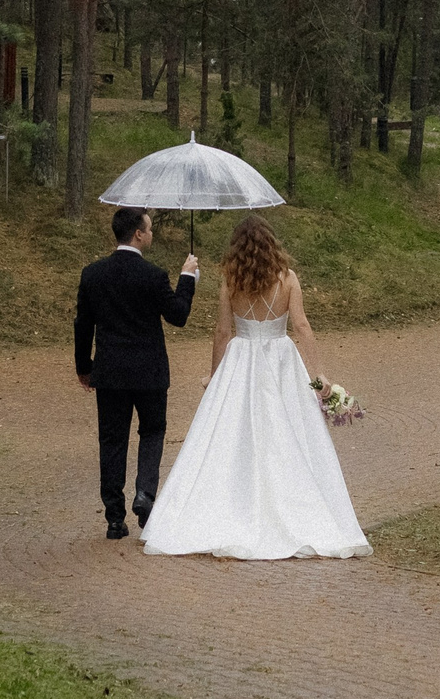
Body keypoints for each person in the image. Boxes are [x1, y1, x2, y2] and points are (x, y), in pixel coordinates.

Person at [139, 214, 369, 560]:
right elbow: (301, 326)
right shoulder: (288, 278)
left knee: (230, 435)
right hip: (281, 360)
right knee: (290, 433)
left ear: (237, 247)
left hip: (241, 360)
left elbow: (222, 332)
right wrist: (318, 375)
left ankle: (232, 503)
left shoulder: (231, 280)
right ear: (271, 244)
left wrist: (215, 377)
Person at [75, 204, 200, 539]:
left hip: (111, 372)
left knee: (112, 439)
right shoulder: (153, 275)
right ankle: (145, 493)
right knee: (152, 432)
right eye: (149, 228)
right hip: (149, 372)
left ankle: (114, 518)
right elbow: (178, 315)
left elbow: (83, 325)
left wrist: (84, 367)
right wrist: (188, 278)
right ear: (138, 234)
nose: (152, 233)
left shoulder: (93, 274)